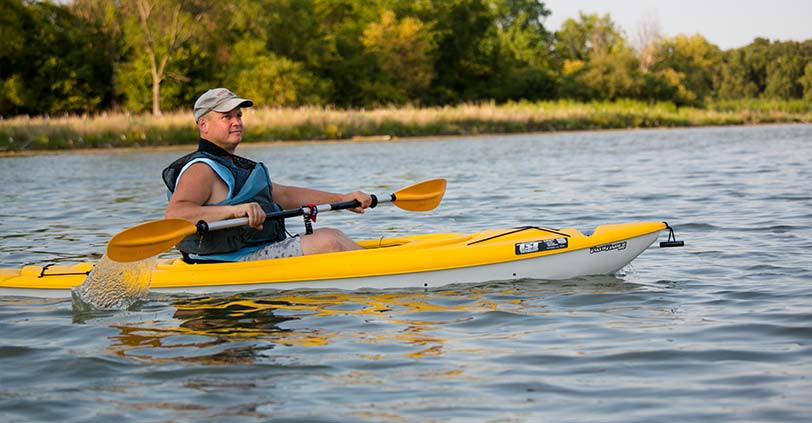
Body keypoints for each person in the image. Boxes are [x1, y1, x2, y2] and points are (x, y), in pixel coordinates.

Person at [163, 88, 372, 262]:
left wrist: (344, 199)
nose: (236, 122)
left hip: (254, 251)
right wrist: (235, 211)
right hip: (227, 262)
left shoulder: (232, 164)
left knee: (332, 234)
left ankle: (375, 269)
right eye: (226, 117)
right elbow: (176, 214)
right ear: (203, 125)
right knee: (328, 241)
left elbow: (284, 195)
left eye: (238, 115)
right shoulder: (200, 169)